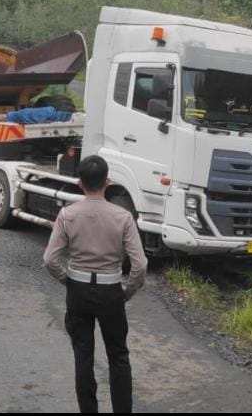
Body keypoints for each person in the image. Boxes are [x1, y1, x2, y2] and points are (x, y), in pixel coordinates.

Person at [43, 155, 147, 414]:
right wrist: (128, 291)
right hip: (110, 290)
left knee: (83, 356)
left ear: (80, 183)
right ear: (108, 182)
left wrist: (66, 279)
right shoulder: (123, 217)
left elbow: (49, 259)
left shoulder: (67, 214)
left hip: (78, 289)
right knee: (118, 356)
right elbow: (140, 265)